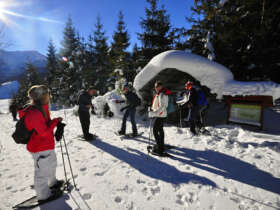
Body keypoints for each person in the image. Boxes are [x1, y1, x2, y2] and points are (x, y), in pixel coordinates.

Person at [20, 85, 63, 202]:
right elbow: (43, 132)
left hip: (46, 145)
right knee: (42, 172)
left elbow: (45, 125)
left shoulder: (41, 108)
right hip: (39, 147)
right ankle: (43, 195)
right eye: (47, 94)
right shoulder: (34, 112)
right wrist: (55, 122)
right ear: (42, 96)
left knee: (51, 164)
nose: (49, 96)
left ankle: (52, 183)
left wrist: (55, 121)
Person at [148, 81, 170, 155]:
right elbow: (158, 105)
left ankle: (159, 148)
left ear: (161, 87)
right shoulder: (160, 93)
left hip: (160, 115)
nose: (156, 88)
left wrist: (154, 113)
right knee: (160, 130)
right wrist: (152, 109)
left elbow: (162, 106)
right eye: (155, 87)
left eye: (157, 86)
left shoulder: (161, 94)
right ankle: (161, 145)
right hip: (161, 115)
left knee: (155, 130)